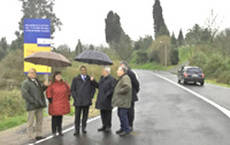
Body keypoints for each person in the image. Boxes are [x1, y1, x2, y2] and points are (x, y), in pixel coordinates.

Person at [21, 68, 49, 143]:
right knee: (30, 122)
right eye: (30, 73)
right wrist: (33, 101)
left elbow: (40, 91)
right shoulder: (25, 83)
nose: (32, 74)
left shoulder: (37, 81)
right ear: (28, 74)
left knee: (39, 121)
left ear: (36, 74)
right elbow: (25, 94)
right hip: (31, 106)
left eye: (33, 73)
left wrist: (45, 86)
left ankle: (38, 135)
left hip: (39, 105)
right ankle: (30, 136)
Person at [71, 65, 96, 135]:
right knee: (77, 117)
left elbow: (94, 88)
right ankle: (77, 130)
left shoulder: (89, 79)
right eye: (82, 70)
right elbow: (72, 90)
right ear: (80, 71)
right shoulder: (75, 79)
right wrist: (75, 98)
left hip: (86, 101)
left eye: (84, 70)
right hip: (78, 101)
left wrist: (90, 96)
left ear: (86, 71)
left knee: (85, 116)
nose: (83, 71)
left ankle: (83, 128)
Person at [91, 66, 116, 132]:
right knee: (102, 113)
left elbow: (113, 89)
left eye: (103, 71)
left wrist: (107, 95)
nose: (102, 72)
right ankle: (104, 125)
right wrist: (93, 81)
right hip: (101, 99)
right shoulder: (102, 78)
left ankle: (108, 126)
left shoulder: (112, 79)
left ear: (106, 72)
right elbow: (98, 86)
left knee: (108, 113)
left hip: (108, 99)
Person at [46, 71, 71, 136]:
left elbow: (68, 90)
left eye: (60, 75)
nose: (59, 77)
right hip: (54, 104)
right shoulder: (51, 84)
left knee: (60, 118)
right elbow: (48, 92)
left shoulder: (64, 83)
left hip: (62, 103)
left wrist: (68, 96)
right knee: (54, 118)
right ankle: (54, 131)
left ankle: (59, 130)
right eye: (57, 76)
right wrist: (50, 100)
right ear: (54, 77)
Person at [112, 66, 132, 136]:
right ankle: (123, 128)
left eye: (118, 70)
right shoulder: (122, 78)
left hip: (124, 101)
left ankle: (126, 130)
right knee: (120, 114)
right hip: (121, 102)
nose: (117, 71)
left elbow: (127, 87)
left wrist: (119, 91)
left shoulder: (125, 77)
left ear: (122, 71)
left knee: (123, 115)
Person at [120, 61, 140, 131]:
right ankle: (123, 126)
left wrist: (135, 91)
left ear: (125, 66)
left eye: (121, 66)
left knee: (130, 111)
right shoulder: (121, 74)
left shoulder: (130, 73)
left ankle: (130, 125)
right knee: (123, 112)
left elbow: (136, 84)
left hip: (131, 95)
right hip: (124, 96)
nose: (120, 67)